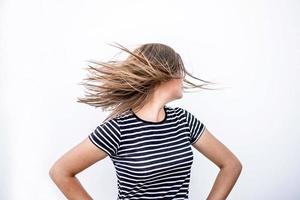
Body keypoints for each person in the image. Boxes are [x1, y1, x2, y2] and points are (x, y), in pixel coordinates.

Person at [49, 42, 242, 200]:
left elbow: (231, 165)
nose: (183, 77)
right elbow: (61, 171)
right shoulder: (118, 129)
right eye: (180, 71)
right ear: (163, 75)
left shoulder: (183, 121)